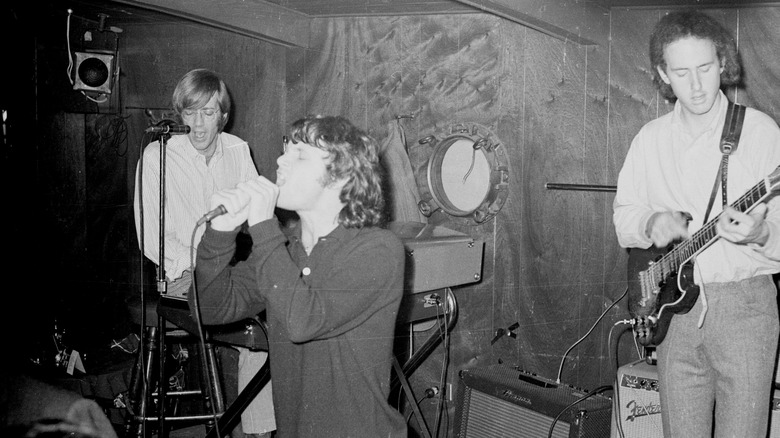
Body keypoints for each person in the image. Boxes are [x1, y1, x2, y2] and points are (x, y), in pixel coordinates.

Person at [613, 10, 780, 437]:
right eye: (682, 72)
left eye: (705, 68)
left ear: (722, 63)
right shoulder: (649, 140)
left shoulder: (760, 133)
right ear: (663, 75)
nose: (697, 84)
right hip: (673, 312)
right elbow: (624, 220)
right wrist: (653, 221)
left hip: (744, 309)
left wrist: (760, 233)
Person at [193, 115, 408, 437]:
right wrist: (220, 235)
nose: (280, 160)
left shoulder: (378, 249)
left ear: (341, 177)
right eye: (285, 150)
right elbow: (210, 310)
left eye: (300, 154)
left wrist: (263, 225)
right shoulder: (286, 249)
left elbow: (304, 321)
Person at [133, 68, 275, 437]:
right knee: (258, 324)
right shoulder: (157, 155)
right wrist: (203, 263)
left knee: (278, 312)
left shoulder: (238, 149)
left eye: (208, 113)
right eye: (189, 113)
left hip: (229, 267)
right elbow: (152, 240)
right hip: (181, 274)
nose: (197, 124)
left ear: (223, 115)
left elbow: (255, 218)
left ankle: (260, 433)